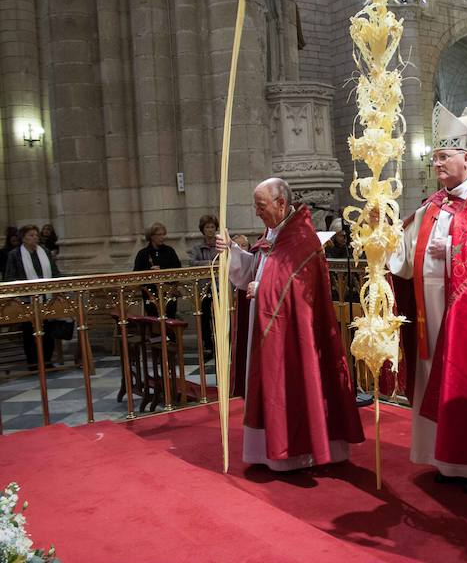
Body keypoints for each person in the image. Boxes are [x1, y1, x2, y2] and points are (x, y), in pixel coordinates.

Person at [217, 177, 363, 470]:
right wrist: (232, 250)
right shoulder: (275, 232)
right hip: (269, 324)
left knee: (295, 384)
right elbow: (258, 269)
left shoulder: (301, 238)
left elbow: (295, 284)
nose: (257, 212)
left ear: (281, 203)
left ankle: (298, 452)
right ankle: (270, 449)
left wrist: (263, 288)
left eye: (261, 206)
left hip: (295, 333)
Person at [389, 102, 467, 493]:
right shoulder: (431, 205)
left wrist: (451, 252)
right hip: (428, 311)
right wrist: (381, 237)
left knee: (466, 378)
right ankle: (442, 457)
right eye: (434, 157)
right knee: (431, 375)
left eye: (443, 156)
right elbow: (401, 257)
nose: (436, 163)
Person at [5, 225, 62, 370]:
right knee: (29, 332)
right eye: (30, 235)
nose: (34, 238)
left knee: (47, 331)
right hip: (26, 299)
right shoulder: (15, 254)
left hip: (46, 298)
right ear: (23, 238)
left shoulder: (45, 252)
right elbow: (10, 277)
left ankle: (47, 360)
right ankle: (33, 362)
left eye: (36, 235)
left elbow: (55, 272)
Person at [133, 222, 182, 319]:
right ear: (151, 236)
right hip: (150, 293)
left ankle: (170, 334)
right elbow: (136, 274)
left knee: (170, 317)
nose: (162, 237)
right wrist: (149, 271)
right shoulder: (143, 254)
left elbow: (177, 269)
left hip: (168, 291)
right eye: (159, 235)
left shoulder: (169, 251)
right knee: (154, 319)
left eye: (163, 234)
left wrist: (162, 270)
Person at [188, 215, 219, 353]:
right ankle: (208, 344)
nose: (210, 230)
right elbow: (192, 263)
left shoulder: (219, 244)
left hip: (219, 285)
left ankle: (221, 342)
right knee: (205, 315)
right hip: (204, 286)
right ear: (203, 230)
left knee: (220, 314)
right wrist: (210, 264)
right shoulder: (198, 248)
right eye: (207, 227)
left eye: (212, 227)